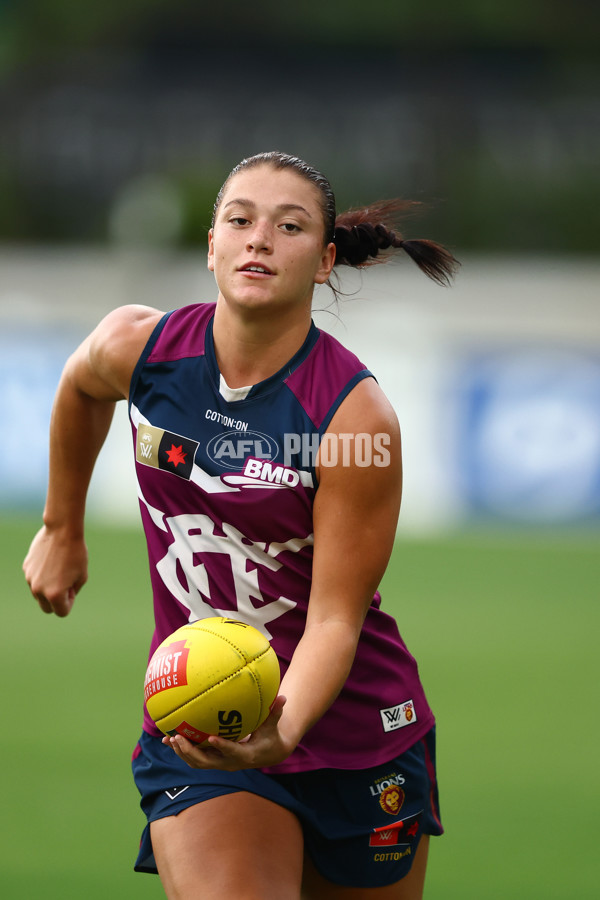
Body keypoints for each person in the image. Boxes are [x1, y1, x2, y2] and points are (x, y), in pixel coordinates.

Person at [23, 151, 459, 899]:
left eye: (288, 227)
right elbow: (80, 384)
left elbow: (332, 619)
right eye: (240, 220)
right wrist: (62, 525)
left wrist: (284, 731)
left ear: (324, 262)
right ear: (212, 245)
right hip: (198, 719)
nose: (259, 239)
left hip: (359, 733)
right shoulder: (144, 348)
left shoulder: (355, 419)